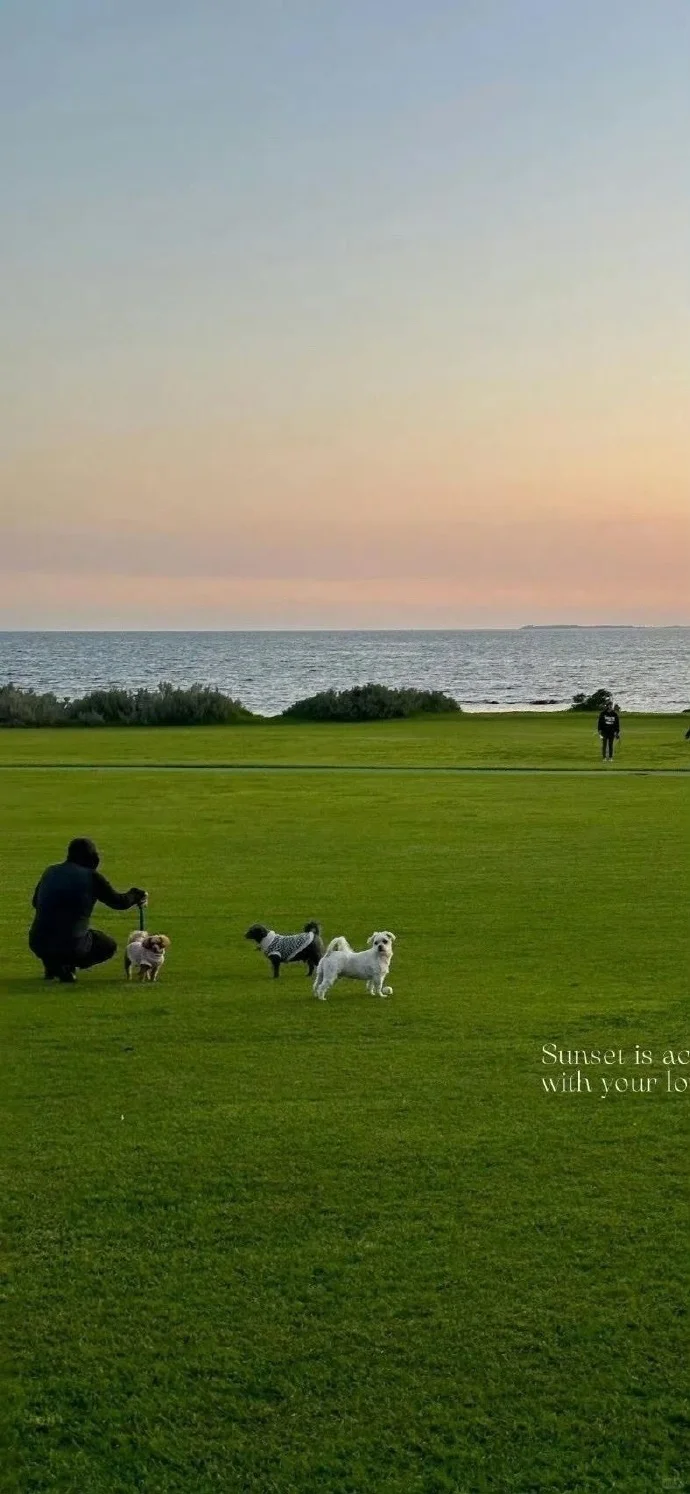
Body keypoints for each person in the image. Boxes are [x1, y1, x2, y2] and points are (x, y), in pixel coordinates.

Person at [29, 837, 147, 983]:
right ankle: (65, 967)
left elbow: (35, 902)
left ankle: (54, 966)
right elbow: (118, 902)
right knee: (106, 945)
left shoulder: (50, 871)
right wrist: (136, 895)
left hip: (37, 941)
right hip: (71, 944)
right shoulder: (91, 876)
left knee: (61, 935)